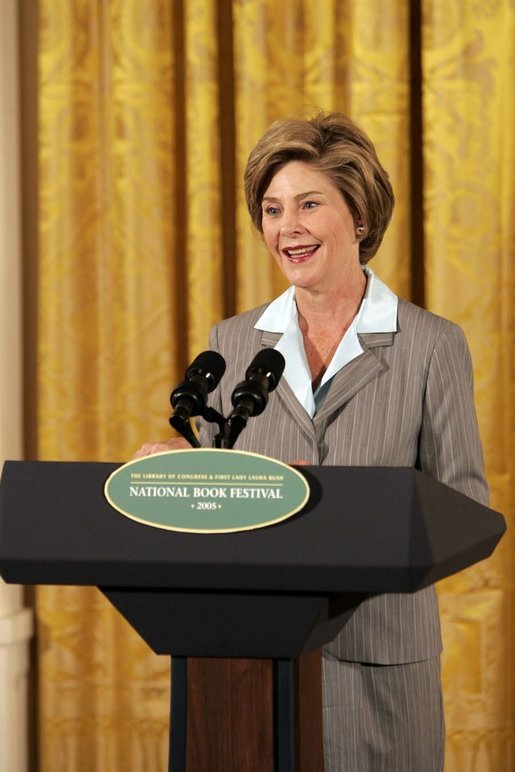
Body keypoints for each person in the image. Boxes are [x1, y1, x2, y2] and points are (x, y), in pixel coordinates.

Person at [135, 112, 488, 770]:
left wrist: (335, 512)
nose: (285, 228)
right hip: (252, 659)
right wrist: (181, 481)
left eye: (307, 204)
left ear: (357, 215)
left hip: (381, 660)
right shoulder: (233, 343)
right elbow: (221, 503)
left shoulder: (431, 345)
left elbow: (462, 507)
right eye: (270, 209)